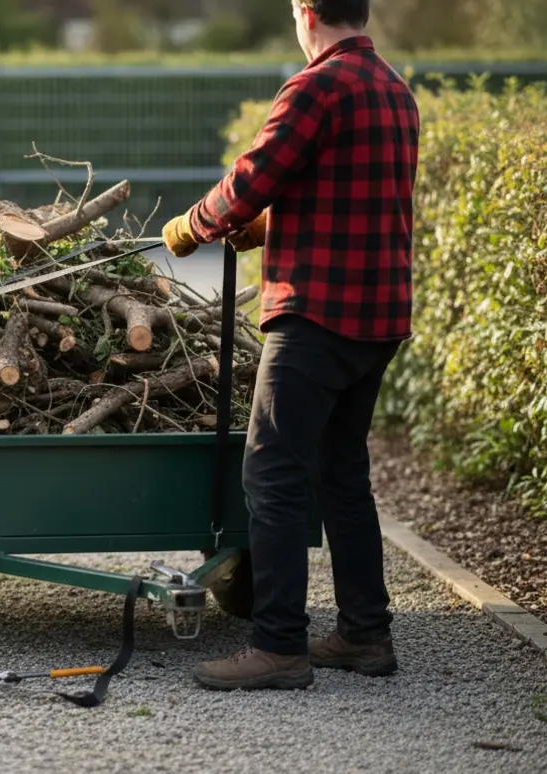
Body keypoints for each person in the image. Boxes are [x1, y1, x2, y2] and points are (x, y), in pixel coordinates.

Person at [161, 0, 420, 691]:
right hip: (380, 317)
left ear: (306, 13)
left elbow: (252, 177)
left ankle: (279, 646)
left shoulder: (316, 86)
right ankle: (366, 634)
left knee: (271, 474)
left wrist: (195, 224)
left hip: (318, 315)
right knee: (341, 472)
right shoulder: (394, 88)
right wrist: (270, 226)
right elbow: (351, 197)